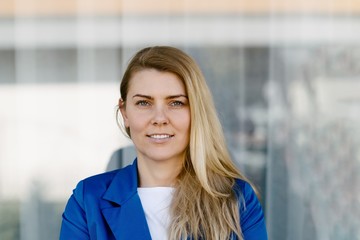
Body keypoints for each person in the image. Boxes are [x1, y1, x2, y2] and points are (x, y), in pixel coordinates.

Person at [60, 46, 267, 240]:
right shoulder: (88, 200)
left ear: (196, 112)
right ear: (125, 113)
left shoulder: (237, 200)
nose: (159, 118)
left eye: (176, 103)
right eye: (144, 103)